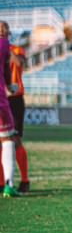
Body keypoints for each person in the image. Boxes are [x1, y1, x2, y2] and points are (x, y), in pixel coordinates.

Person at [0, 21, 29, 192]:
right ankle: (2, 182)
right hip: (2, 96)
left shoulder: (17, 50)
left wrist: (6, 48)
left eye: (5, 28)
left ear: (9, 32)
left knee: (16, 140)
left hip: (15, 99)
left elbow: (18, 63)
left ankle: (24, 180)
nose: (3, 30)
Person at [0, 22, 18, 197]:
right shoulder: (4, 43)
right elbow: (6, 70)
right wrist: (11, 87)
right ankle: (9, 184)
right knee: (7, 138)